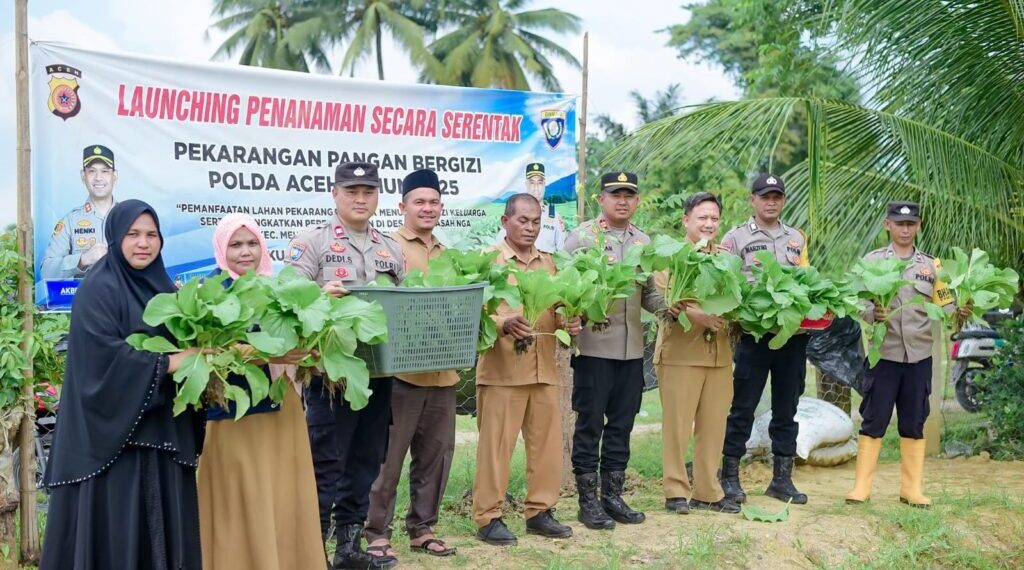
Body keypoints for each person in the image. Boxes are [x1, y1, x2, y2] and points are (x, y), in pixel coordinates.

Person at [40, 200, 204, 570]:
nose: (143, 243)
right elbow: (102, 359)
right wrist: (170, 362)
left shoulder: (167, 292)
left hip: (162, 435)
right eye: (132, 234)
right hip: (113, 449)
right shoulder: (98, 290)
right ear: (114, 237)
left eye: (151, 235)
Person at [287, 161, 405, 570]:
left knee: (366, 462)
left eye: (368, 191)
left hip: (378, 375)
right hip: (330, 377)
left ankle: (349, 550)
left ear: (377, 197)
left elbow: (403, 310)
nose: (360, 198)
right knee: (326, 466)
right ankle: (312, 553)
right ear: (334, 193)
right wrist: (321, 293)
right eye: (352, 190)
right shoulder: (311, 242)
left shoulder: (390, 248)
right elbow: (289, 303)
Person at [197, 213, 326, 570]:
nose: (245, 252)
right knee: (242, 494)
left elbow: (298, 339)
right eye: (235, 244)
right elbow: (211, 353)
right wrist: (267, 353)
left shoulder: (278, 289)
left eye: (252, 243)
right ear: (222, 249)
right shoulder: (210, 292)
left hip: (282, 405)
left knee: (284, 491)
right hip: (234, 412)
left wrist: (311, 347)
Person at [473, 193, 582, 546]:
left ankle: (540, 511)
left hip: (543, 370)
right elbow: (473, 311)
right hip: (502, 372)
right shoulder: (487, 262)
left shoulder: (548, 264)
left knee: (547, 447)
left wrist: (571, 320)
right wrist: (503, 321)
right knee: (496, 448)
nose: (530, 228)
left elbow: (558, 309)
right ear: (505, 222)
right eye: (523, 220)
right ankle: (488, 517)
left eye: (536, 221)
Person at [845, 201, 966, 509]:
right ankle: (861, 487)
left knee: (914, 421)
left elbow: (947, 305)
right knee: (874, 419)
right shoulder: (872, 262)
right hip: (884, 355)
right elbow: (856, 301)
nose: (905, 229)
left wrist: (961, 309)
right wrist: (874, 311)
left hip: (918, 358)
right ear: (888, 225)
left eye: (910, 224)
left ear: (918, 226)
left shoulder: (931, 267)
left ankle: (911, 489)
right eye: (899, 224)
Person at [365, 169, 459, 562]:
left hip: (444, 374)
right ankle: (375, 532)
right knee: (389, 457)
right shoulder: (387, 248)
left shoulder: (449, 253)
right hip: (400, 373)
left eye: (434, 202)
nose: (427, 208)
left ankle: (422, 528)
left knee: (437, 455)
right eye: (419, 202)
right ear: (402, 206)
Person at [562, 171, 664, 529]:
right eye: (615, 194)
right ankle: (587, 502)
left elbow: (647, 291)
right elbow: (564, 288)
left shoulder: (642, 240)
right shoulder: (582, 239)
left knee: (622, 424)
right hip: (593, 349)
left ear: (636, 201)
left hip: (632, 349)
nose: (622, 200)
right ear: (600, 199)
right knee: (590, 425)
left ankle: (613, 497)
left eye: (629, 195)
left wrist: (671, 306)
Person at [719, 173, 811, 504]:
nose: (771, 202)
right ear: (753, 200)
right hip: (754, 337)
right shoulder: (735, 238)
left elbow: (805, 280)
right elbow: (726, 281)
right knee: (742, 407)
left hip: (791, 337)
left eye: (777, 196)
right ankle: (729, 477)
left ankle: (781, 479)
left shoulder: (797, 238)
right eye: (765, 196)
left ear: (783, 200)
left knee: (787, 408)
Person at [654, 192, 740, 515]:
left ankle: (707, 490)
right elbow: (665, 298)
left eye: (714, 218)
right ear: (686, 220)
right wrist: (695, 314)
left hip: (718, 355)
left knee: (714, 425)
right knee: (677, 426)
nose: (708, 224)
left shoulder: (725, 259)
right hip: (681, 353)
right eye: (702, 217)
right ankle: (676, 490)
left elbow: (735, 299)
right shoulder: (670, 257)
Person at [41, 144, 119, 280]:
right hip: (84, 299)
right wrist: (82, 260)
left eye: (105, 171)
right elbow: (46, 271)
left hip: (123, 299)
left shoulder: (131, 218)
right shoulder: (70, 221)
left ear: (115, 175)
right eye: (92, 171)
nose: (98, 177)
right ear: (83, 176)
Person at [496, 163, 565, 253]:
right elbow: (500, 245)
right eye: (532, 183)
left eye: (539, 183)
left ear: (544, 185)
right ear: (526, 184)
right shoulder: (515, 213)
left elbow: (562, 250)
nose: (536, 187)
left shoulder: (554, 216)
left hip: (546, 265)